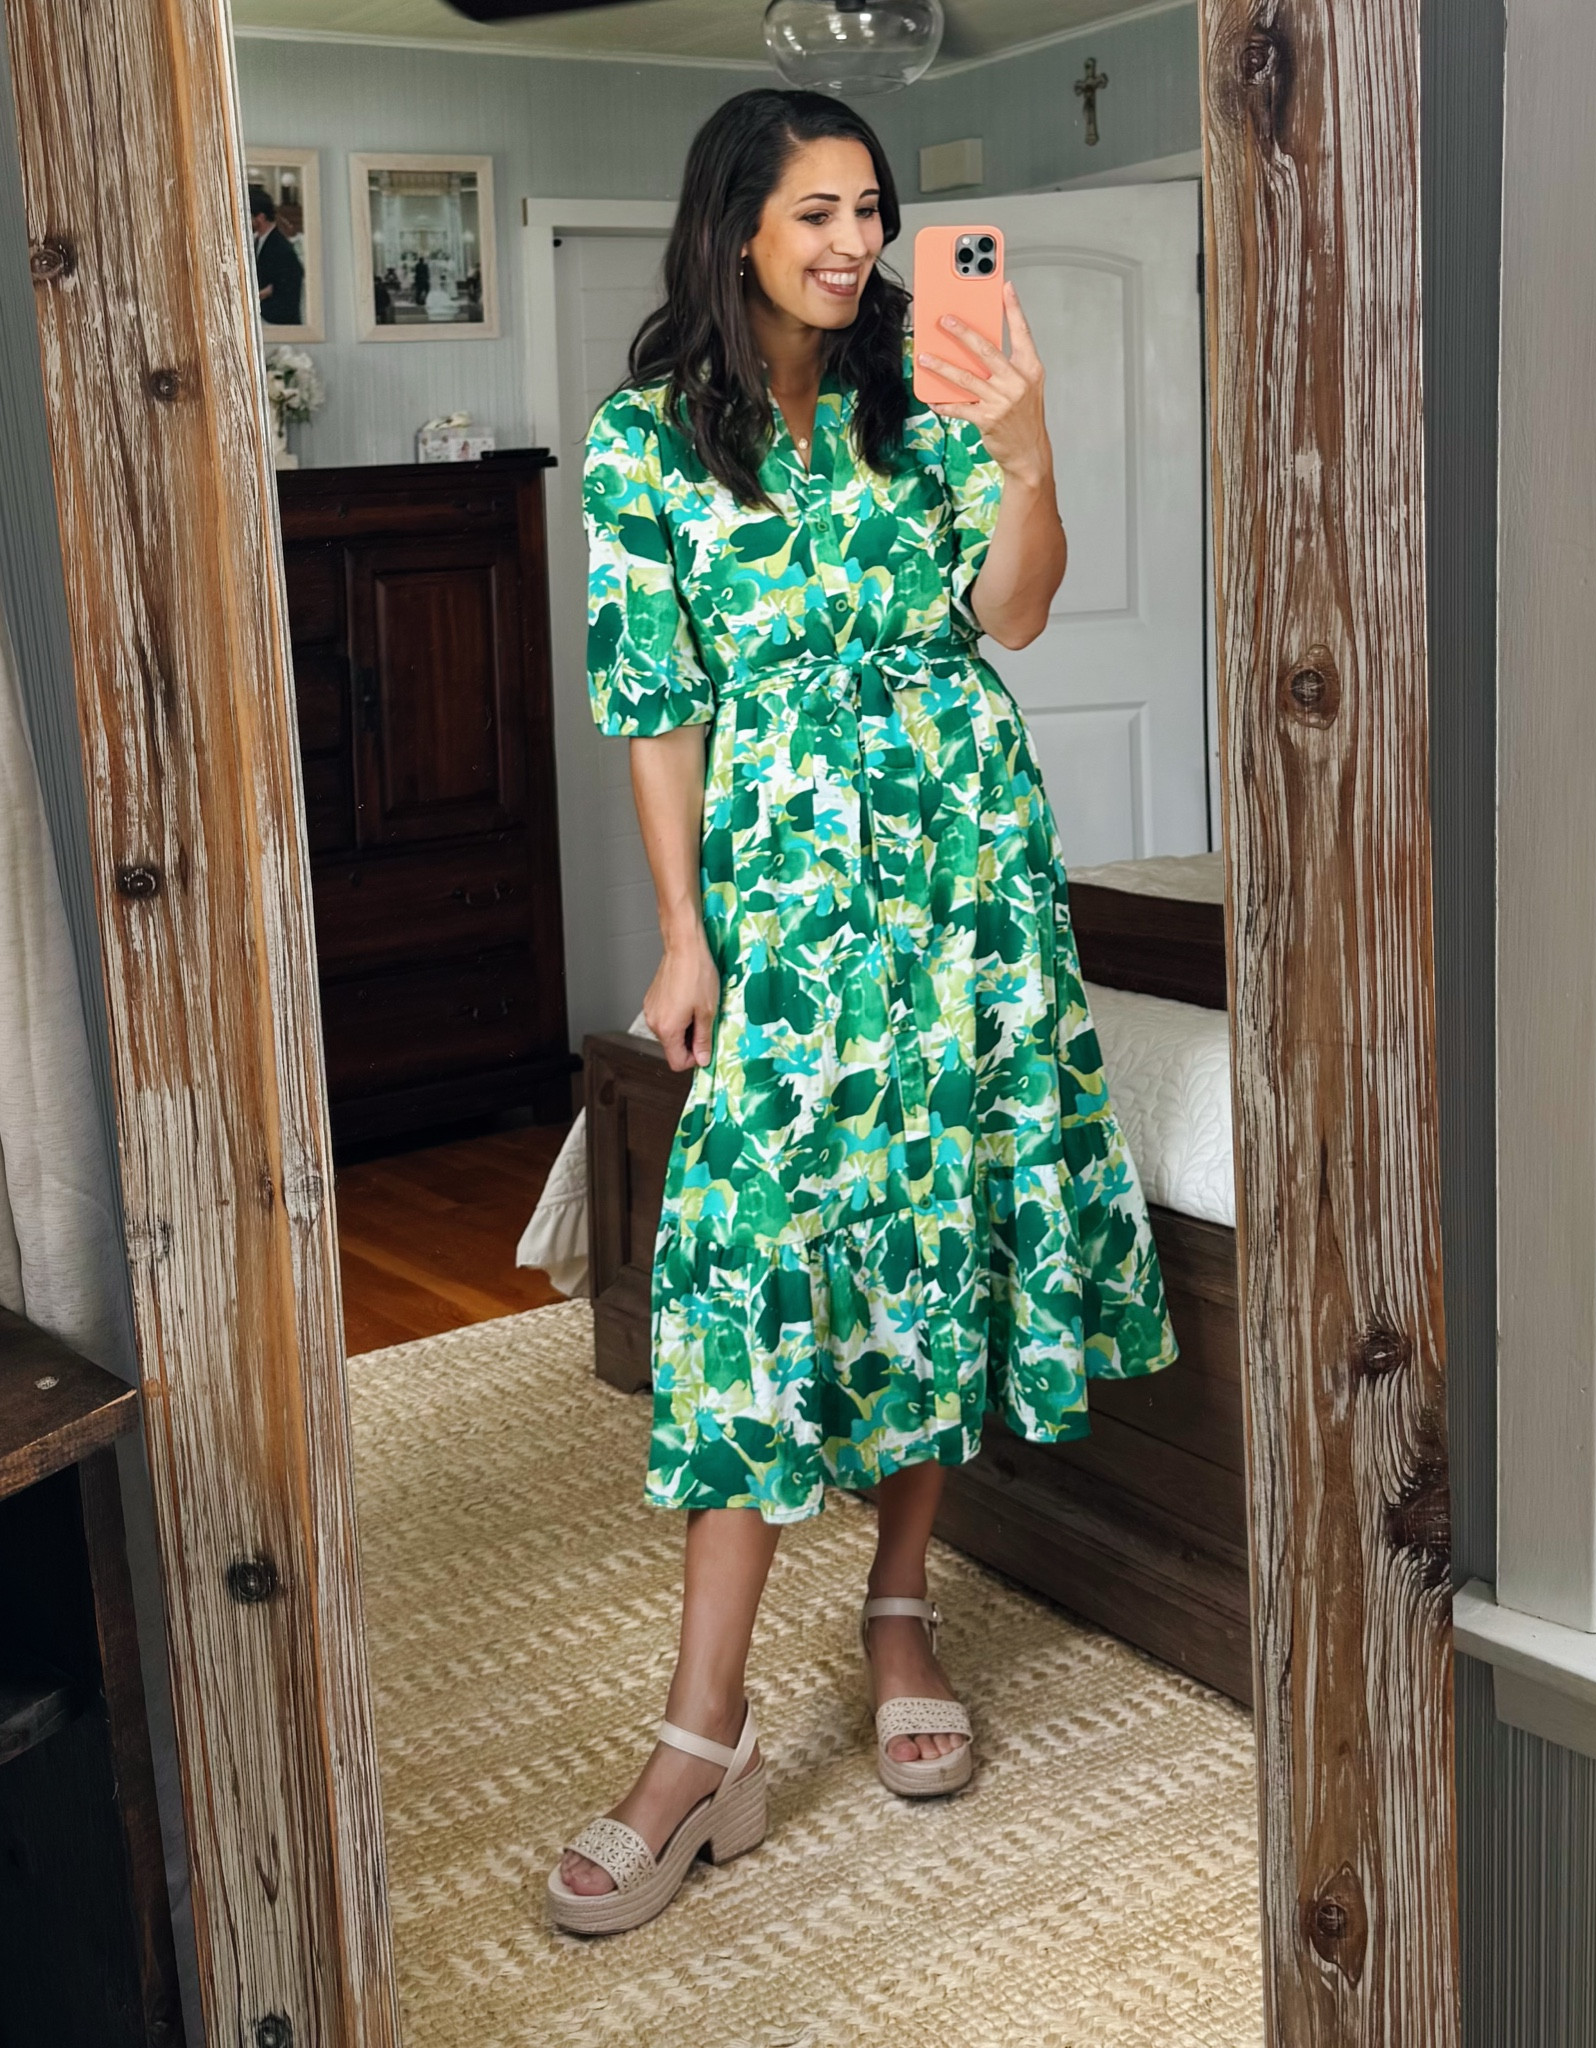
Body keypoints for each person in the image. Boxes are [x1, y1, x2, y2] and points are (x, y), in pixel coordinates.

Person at [547, 87, 1176, 1937]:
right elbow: (655, 697)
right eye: (818, 211)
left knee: (937, 1218)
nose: (854, 245)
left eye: (875, 213)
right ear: (736, 218)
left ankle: (900, 1608)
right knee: (743, 1259)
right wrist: (680, 932)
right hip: (788, 888)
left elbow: (1020, 612)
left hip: (967, 862)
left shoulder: (926, 389)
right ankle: (703, 1725)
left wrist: (1032, 441)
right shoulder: (649, 439)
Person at [248, 184, 303, 326]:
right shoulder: (256, 241)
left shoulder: (281, 248)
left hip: (277, 325)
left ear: (260, 217)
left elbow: (286, 294)